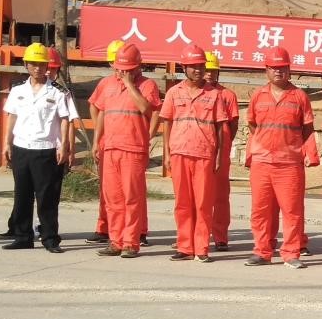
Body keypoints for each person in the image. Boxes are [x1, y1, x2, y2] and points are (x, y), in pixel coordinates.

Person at [155, 43, 230, 262]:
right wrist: (166, 154)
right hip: (179, 152)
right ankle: (185, 246)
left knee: (203, 203)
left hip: (204, 154)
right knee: (183, 203)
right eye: (193, 66)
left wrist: (219, 155)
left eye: (201, 66)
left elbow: (220, 127)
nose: (198, 70)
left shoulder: (214, 94)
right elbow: (167, 123)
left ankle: (201, 248)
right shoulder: (173, 92)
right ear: (184, 68)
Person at [0, 43, 78, 253]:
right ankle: (22, 236)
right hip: (22, 148)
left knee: (47, 198)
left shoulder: (58, 92)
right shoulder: (18, 90)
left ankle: (50, 238)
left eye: (41, 64)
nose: (38, 68)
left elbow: (65, 119)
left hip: (46, 149)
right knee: (22, 195)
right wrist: (7, 143)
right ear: (26, 64)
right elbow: (12, 117)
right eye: (33, 64)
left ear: (47, 66)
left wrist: (64, 145)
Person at [244, 47, 315, 269]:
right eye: (274, 68)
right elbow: (252, 124)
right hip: (262, 162)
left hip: (289, 163)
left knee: (292, 211)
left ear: (289, 70)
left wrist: (306, 153)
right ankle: (262, 251)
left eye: (282, 68)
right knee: (260, 210)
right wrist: (262, 145)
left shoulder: (299, 97)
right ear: (266, 70)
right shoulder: (258, 95)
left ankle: (291, 252)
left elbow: (307, 129)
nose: (278, 71)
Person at [90, 42, 160, 258]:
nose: (122, 73)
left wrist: (129, 84)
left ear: (138, 67)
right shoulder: (107, 84)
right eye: (120, 68)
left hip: (133, 149)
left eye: (128, 69)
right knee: (113, 198)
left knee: (132, 198)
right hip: (110, 147)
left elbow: (147, 109)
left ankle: (130, 242)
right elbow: (102, 113)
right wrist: (96, 141)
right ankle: (116, 241)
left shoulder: (147, 85)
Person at [85, 39, 124, 246]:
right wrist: (100, 132)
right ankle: (104, 227)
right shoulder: (106, 83)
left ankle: (138, 231)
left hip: (128, 143)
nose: (117, 66)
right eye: (113, 62)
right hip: (107, 142)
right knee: (107, 190)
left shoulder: (141, 84)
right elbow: (95, 107)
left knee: (131, 191)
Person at [204, 52, 239, 252]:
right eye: (206, 70)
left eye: (213, 70)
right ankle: (194, 236)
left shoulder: (228, 95)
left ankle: (220, 237)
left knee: (220, 196)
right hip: (199, 149)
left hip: (220, 152)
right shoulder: (194, 93)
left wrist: (224, 145)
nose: (209, 74)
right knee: (198, 196)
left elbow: (233, 124)